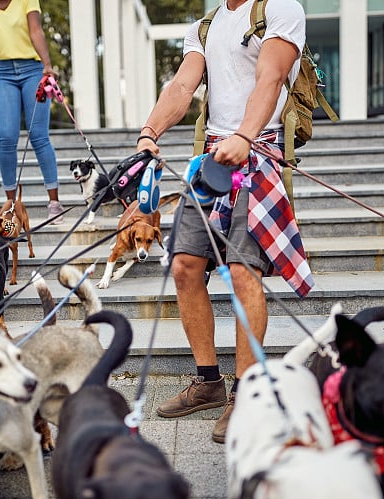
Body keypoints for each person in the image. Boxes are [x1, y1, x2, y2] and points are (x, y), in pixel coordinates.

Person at [136, 0, 313, 443]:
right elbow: (181, 86)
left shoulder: (280, 9)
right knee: (183, 266)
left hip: (259, 153)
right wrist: (149, 134)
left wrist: (244, 136)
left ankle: (246, 395)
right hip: (212, 159)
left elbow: (270, 78)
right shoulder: (206, 24)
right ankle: (209, 382)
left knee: (242, 273)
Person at [0, 0, 64, 223]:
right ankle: (12, 206)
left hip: (33, 69)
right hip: (4, 73)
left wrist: (47, 64)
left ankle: (54, 203)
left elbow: (36, 31)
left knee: (39, 135)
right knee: (6, 138)